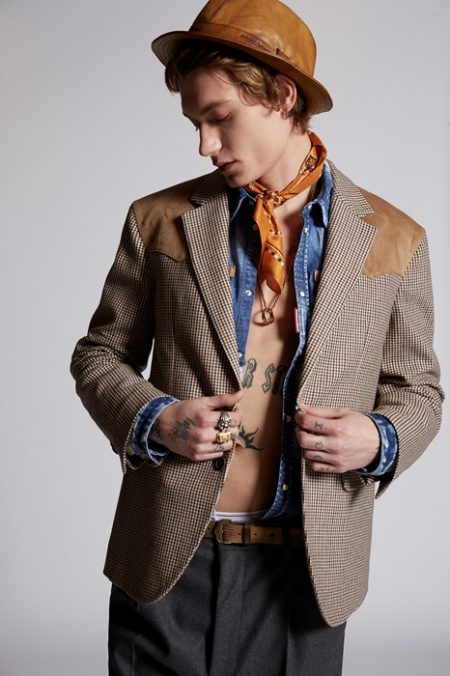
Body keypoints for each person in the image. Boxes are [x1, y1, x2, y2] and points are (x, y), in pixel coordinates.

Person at [70, 1, 443, 674]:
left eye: (219, 117)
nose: (204, 145)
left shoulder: (395, 238)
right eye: (195, 123)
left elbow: (418, 391)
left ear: (282, 95)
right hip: (168, 560)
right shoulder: (159, 220)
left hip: (309, 571)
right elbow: (99, 355)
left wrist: (380, 438)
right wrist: (157, 419)